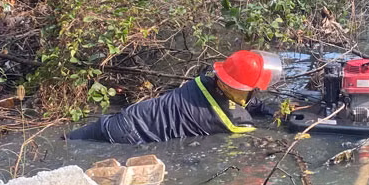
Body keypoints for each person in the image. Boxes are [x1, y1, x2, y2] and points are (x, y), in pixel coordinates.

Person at [67, 50, 283, 144]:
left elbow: (242, 100)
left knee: (69, 140)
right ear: (239, 88)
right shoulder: (231, 122)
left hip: (127, 118)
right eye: (254, 87)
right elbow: (252, 137)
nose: (256, 91)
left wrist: (270, 110)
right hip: (132, 139)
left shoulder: (205, 80)